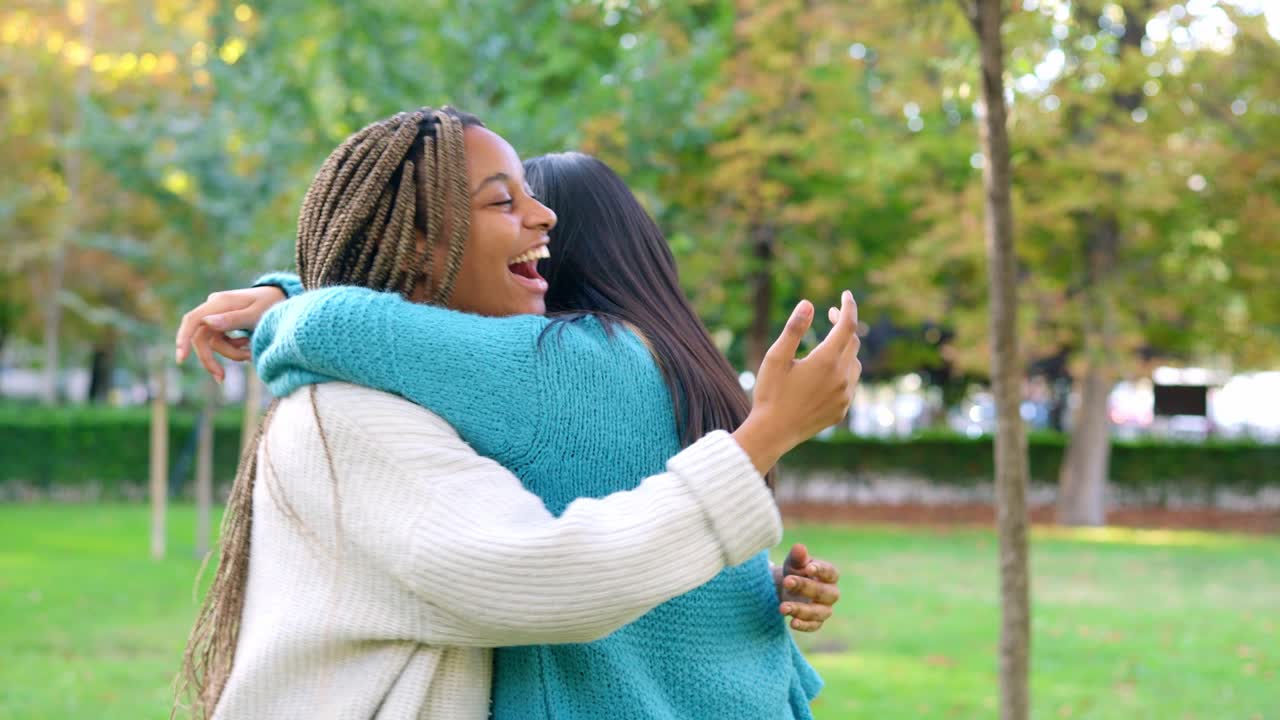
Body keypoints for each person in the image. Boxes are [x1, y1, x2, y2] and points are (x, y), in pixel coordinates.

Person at [175, 108, 859, 719]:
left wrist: (288, 301)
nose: (543, 220)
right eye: (503, 202)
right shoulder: (671, 365)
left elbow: (343, 329)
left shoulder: (558, 363)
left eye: (533, 199)